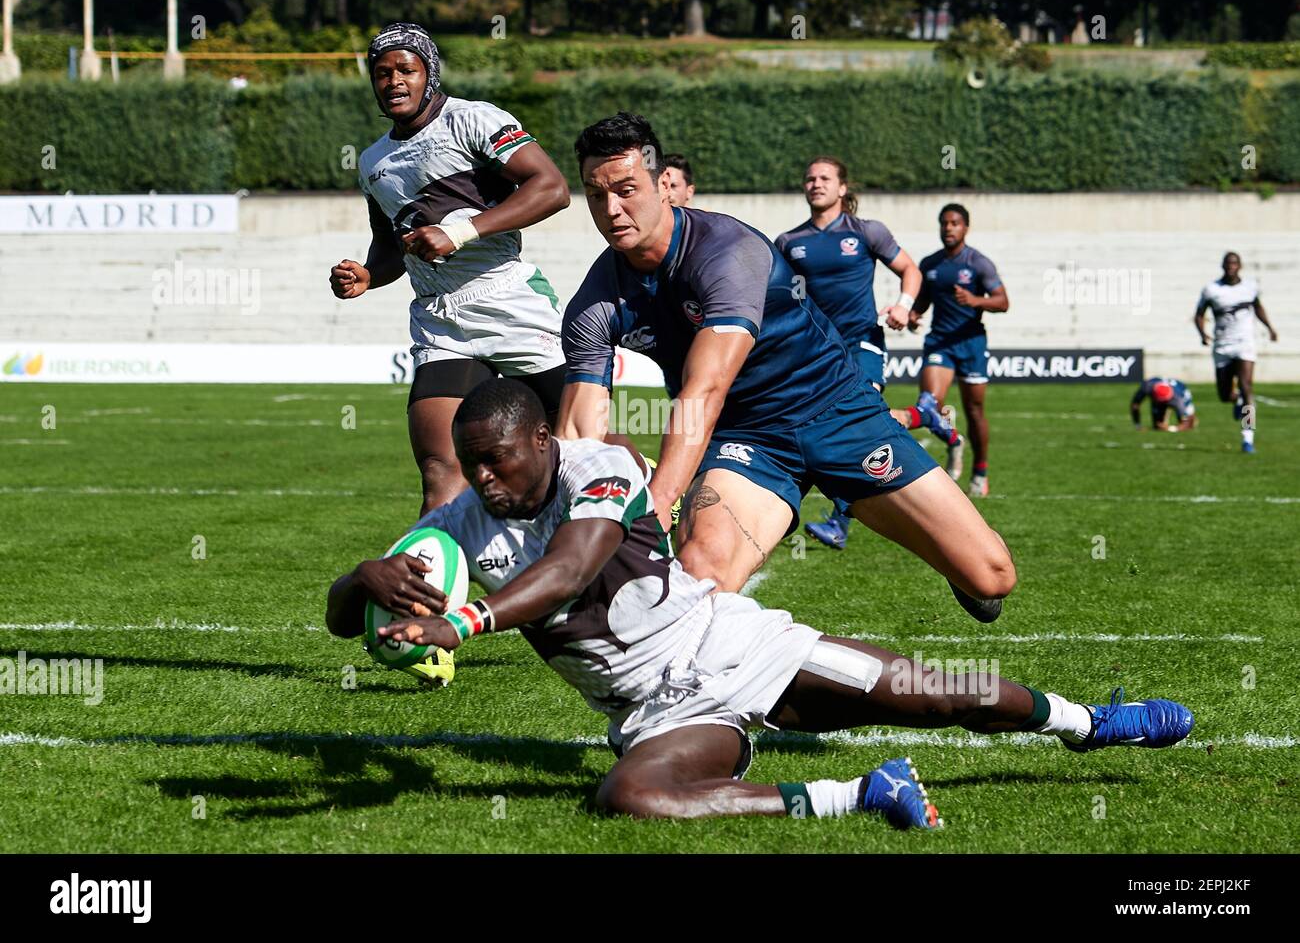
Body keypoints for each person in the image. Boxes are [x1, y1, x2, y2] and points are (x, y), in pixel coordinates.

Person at [325, 379, 1195, 824]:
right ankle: (863, 794)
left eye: (499, 461)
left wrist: (462, 619)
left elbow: (570, 565)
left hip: (725, 645)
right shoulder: (467, 517)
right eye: (472, 463)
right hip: (652, 712)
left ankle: (1087, 721)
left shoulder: (601, 467)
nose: (485, 479)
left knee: (936, 689)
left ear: (543, 442)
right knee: (627, 798)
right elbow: (351, 612)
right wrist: (363, 579)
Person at [556, 113, 1015, 623]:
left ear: (665, 185)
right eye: (596, 196)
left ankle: (959, 559)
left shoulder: (726, 253)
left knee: (993, 576)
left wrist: (660, 504)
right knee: (701, 574)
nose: (612, 210)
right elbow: (578, 429)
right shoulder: (595, 301)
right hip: (748, 439)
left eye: (626, 189)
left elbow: (703, 392)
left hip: (838, 412)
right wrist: (566, 523)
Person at [328, 22, 571, 519]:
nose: (393, 80)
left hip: (510, 301)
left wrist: (460, 232)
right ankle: (431, 597)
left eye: (405, 69)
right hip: (441, 324)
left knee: (580, 446)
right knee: (443, 470)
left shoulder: (475, 120)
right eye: (381, 73)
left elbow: (551, 188)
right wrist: (370, 274)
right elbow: (391, 245)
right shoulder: (374, 161)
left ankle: (651, 506)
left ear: (429, 73)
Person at [774, 156, 943, 550]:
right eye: (810, 178)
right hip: (815, 352)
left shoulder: (867, 232)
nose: (816, 184)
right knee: (807, 426)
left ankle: (838, 523)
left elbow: (911, 271)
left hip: (862, 339)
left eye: (825, 178)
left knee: (855, 426)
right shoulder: (789, 242)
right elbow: (781, 296)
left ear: (842, 188)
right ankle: (923, 413)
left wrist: (903, 305)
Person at [908, 204, 1009, 497]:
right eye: (944, 223)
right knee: (929, 402)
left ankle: (980, 469)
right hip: (940, 342)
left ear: (966, 227)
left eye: (954, 223)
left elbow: (1002, 302)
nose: (949, 228)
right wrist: (914, 314)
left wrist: (975, 301)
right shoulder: (931, 264)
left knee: (975, 410)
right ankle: (953, 439)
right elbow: (923, 300)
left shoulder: (979, 263)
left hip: (971, 343)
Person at [1194, 252, 1279, 453]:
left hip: (1245, 343)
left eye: (1234, 263)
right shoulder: (1212, 289)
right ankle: (1237, 400)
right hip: (1222, 345)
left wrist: (1270, 328)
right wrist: (1203, 334)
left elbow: (1258, 308)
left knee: (1247, 386)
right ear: (1223, 266)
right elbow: (1199, 314)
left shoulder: (1249, 287)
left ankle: (1247, 438)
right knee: (1224, 395)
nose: (1231, 266)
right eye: (1228, 263)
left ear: (1240, 266)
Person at [1130, 377, 1197, 432]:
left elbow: (1186, 423)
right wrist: (1138, 425)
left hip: (1181, 392)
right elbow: (1135, 404)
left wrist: (1170, 428)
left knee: (1190, 424)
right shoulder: (1147, 386)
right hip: (1162, 395)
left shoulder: (1179, 400)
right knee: (1158, 426)